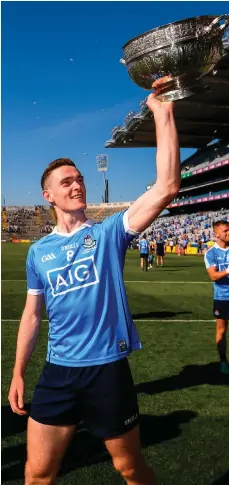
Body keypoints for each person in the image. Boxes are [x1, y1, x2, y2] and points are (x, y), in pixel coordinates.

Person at [8, 93, 180, 485]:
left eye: (80, 179)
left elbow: (167, 186)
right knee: (37, 474)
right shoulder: (38, 252)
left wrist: (162, 112)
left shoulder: (107, 234)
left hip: (106, 371)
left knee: (130, 469)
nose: (78, 185)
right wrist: (18, 373)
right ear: (47, 195)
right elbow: (33, 315)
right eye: (66, 182)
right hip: (57, 374)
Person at [204, 220, 229, 374]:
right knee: (221, 331)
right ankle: (223, 360)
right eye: (226, 231)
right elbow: (213, 276)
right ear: (216, 234)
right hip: (222, 297)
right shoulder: (211, 253)